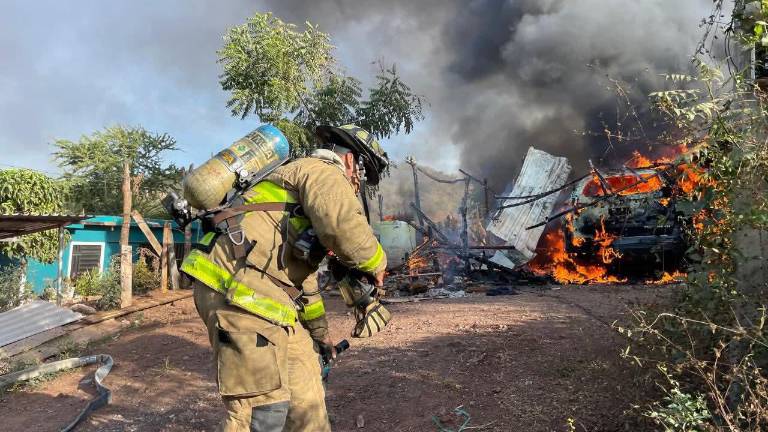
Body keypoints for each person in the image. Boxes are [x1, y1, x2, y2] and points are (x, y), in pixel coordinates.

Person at [180, 124, 390, 432]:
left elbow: (301, 283)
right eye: (362, 172)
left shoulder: (300, 191)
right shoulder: (322, 172)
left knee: (307, 397)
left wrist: (321, 339)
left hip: (265, 298)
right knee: (261, 412)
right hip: (238, 290)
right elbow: (343, 228)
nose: (358, 183)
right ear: (350, 161)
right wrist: (377, 264)